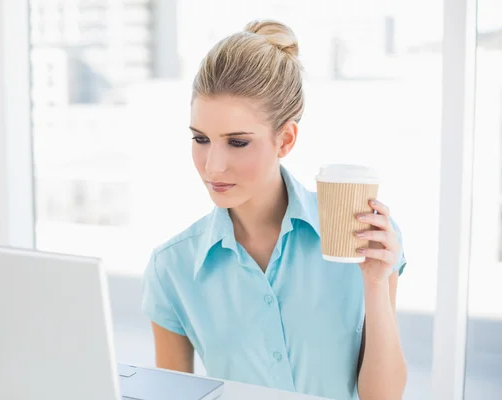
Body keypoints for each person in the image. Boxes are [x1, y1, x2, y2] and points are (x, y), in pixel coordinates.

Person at [142, 20, 407, 400]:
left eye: (237, 142)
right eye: (201, 139)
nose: (212, 166)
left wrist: (377, 281)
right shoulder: (172, 267)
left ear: (285, 139)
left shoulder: (361, 238)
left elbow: (383, 397)